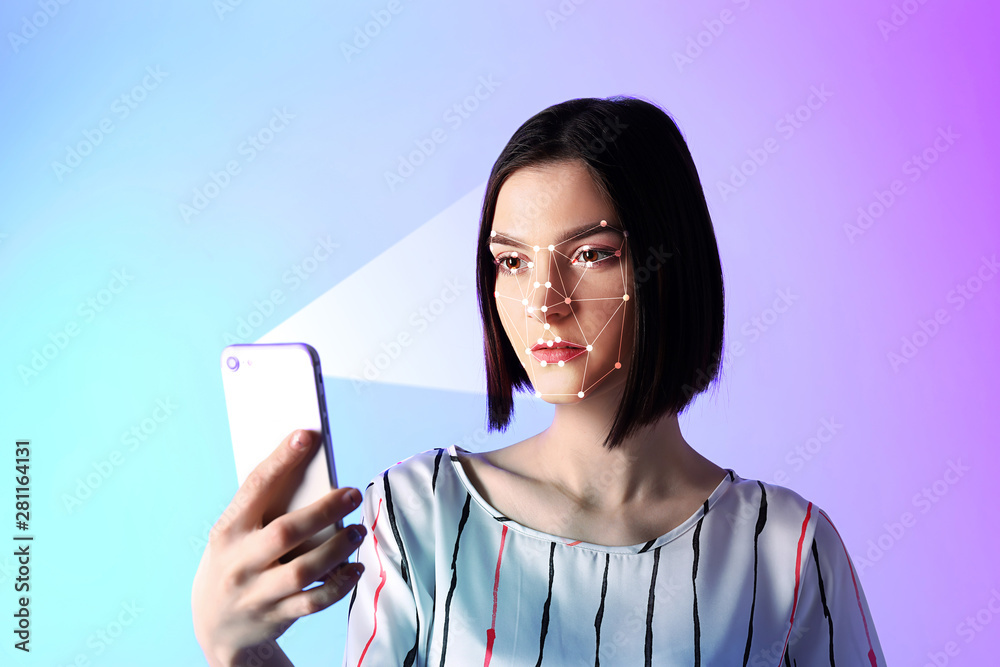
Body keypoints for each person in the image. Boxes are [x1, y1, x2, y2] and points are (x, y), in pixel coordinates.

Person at [193, 96, 886, 666]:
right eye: (512, 262)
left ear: (665, 266)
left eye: (590, 254)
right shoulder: (418, 516)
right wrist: (240, 649)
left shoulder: (789, 549)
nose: (544, 301)